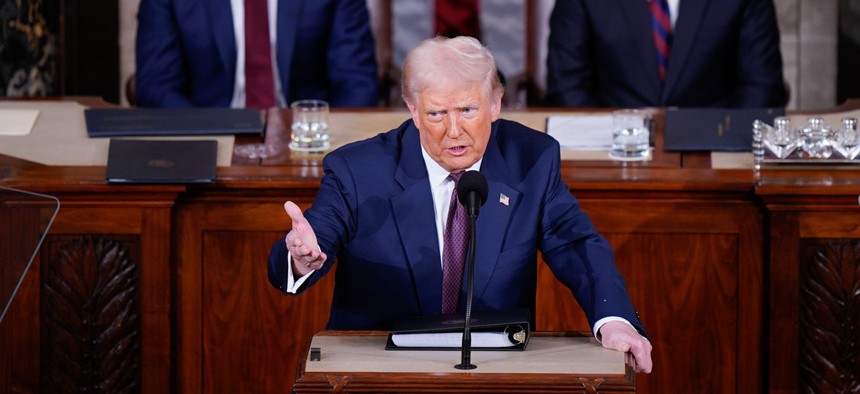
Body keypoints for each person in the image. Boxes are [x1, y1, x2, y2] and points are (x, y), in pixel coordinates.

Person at [267, 36, 652, 373]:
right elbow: (318, 234)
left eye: (468, 110)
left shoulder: (531, 160)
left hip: (492, 369)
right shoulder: (358, 169)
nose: (454, 131)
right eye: (436, 113)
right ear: (412, 110)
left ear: (496, 104)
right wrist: (301, 257)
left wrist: (614, 320)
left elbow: (576, 244)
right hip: (378, 371)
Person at [135, 0, 378, 108]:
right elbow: (157, 84)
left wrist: (324, 136)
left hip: (307, 140)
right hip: (207, 138)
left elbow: (356, 80)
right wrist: (204, 133)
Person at [545, 0, 788, 108]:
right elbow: (567, 83)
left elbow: (760, 85)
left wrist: (729, 143)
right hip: (613, 150)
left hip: (713, 151)